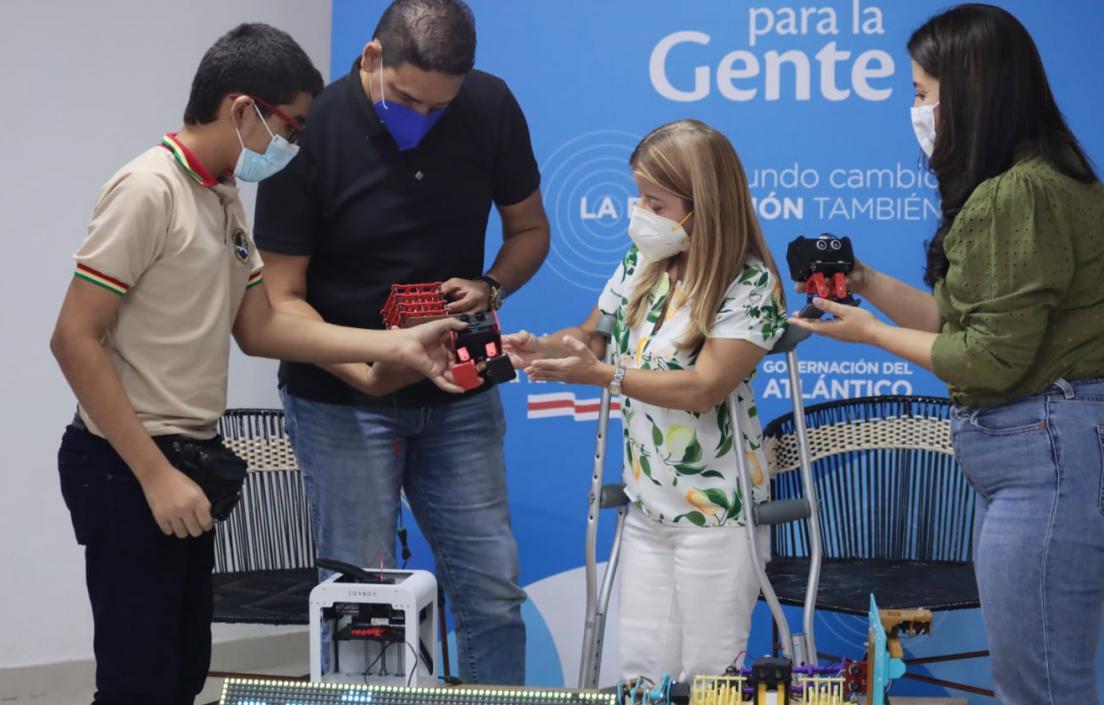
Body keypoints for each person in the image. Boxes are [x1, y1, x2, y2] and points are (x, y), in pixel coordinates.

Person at [49, 23, 465, 705]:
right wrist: (153, 475)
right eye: (292, 126)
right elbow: (73, 339)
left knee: (181, 671)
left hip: (188, 461)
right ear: (243, 109)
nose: (296, 145)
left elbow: (262, 326)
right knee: (137, 682)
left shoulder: (220, 195)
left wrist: (395, 345)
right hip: (125, 463)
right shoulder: (146, 189)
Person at [787, 6, 1104, 705]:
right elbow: (963, 324)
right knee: (1033, 681)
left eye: (923, 93)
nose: (915, 109)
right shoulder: (1035, 180)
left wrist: (867, 335)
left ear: (972, 92)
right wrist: (864, 284)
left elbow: (985, 360)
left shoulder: (1018, 193)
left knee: (1039, 685)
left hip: (1052, 455)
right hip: (1045, 455)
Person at [253, 0, 549, 685]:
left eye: (442, 108)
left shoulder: (491, 106)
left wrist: (493, 287)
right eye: (410, 102)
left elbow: (529, 231)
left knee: (493, 592)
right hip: (339, 400)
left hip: (458, 400)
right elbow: (281, 302)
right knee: (360, 602)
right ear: (371, 60)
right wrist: (372, 366)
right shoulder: (307, 133)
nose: (425, 120)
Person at [503, 119, 787, 682]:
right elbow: (592, 335)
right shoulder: (643, 266)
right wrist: (544, 345)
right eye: (639, 198)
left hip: (717, 513)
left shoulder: (751, 287)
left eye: (655, 203)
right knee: (639, 672)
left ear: (701, 203)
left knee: (708, 677)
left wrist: (605, 376)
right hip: (647, 504)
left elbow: (705, 385)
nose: (641, 214)